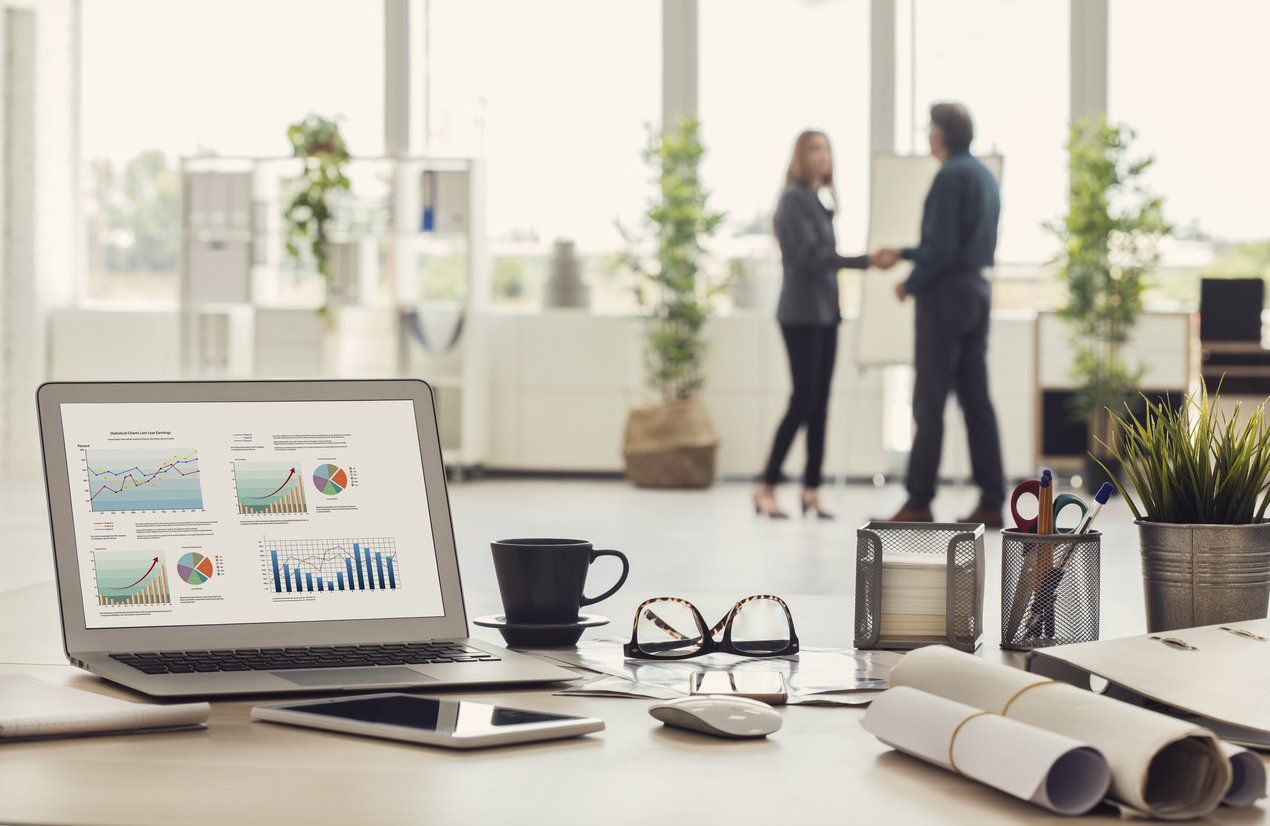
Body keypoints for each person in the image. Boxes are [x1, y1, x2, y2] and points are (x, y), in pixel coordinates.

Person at [875, 102, 1006, 526]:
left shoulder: (949, 177)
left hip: (944, 296)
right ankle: (991, 499)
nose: (928, 136)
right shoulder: (984, 175)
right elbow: (958, 244)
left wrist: (908, 282)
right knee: (976, 400)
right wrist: (907, 253)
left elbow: (943, 250)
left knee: (929, 400)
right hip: (975, 292)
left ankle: (918, 501)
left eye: (930, 129)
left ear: (942, 134)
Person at [755, 130, 886, 520]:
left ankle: (811, 491)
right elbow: (811, 258)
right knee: (802, 402)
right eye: (814, 149)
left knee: (821, 406)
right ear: (800, 156)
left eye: (826, 149)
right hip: (800, 315)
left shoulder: (818, 199)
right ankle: (765, 485)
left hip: (827, 314)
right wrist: (865, 261)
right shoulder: (793, 199)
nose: (822, 156)